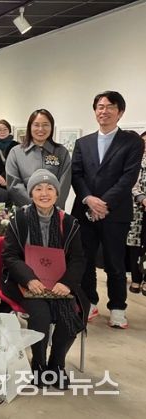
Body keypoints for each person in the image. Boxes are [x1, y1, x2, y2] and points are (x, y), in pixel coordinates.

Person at [2, 170, 89, 389]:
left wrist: (66, 283)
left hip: (59, 283)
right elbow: (10, 256)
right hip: (24, 282)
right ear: (31, 193)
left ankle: (56, 364)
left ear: (57, 193)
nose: (44, 193)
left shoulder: (69, 222)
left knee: (71, 313)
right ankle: (38, 364)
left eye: (50, 188)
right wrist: (29, 279)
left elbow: (78, 259)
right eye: (38, 189)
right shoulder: (19, 219)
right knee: (40, 314)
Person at [72, 91, 144, 328]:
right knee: (85, 260)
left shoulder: (132, 142)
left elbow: (129, 177)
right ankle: (89, 302)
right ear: (95, 111)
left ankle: (117, 308)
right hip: (85, 211)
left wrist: (103, 203)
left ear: (120, 112)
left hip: (116, 212)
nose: (104, 111)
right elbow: (77, 174)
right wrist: (89, 199)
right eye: (100, 107)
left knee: (115, 263)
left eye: (110, 106)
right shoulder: (83, 143)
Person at [6, 109, 72, 208]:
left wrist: (51, 208)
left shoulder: (62, 152)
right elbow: (13, 184)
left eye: (45, 125)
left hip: (54, 211)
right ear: (30, 127)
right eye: (36, 125)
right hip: (25, 211)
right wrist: (34, 207)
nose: (41, 129)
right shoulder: (16, 152)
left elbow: (64, 184)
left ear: (51, 127)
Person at [127, 131, 146, 295]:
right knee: (134, 245)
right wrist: (143, 199)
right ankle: (136, 278)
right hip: (137, 210)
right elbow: (132, 184)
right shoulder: (135, 160)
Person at [0, 119, 18, 188]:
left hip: (13, 179)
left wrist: (4, 176)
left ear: (9, 131)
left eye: (5, 129)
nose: (2, 132)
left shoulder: (16, 146)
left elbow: (18, 163)